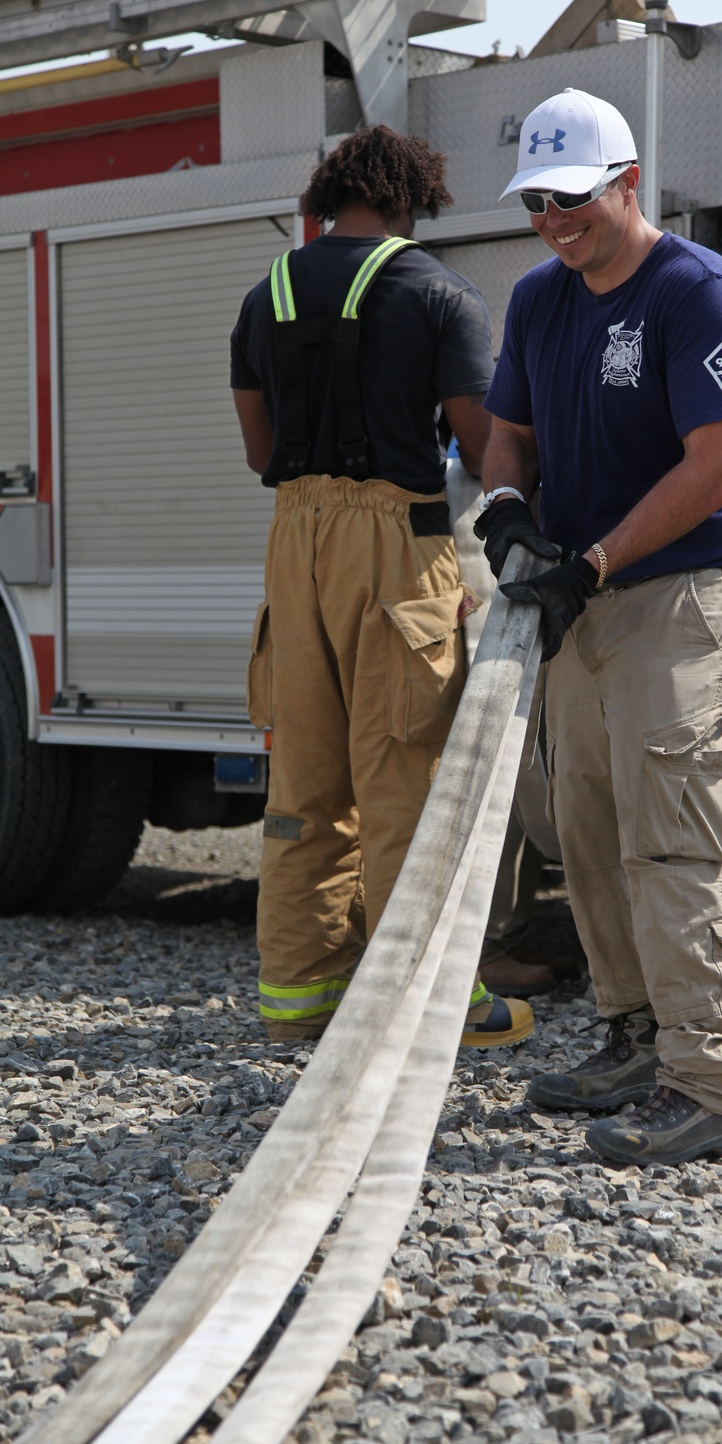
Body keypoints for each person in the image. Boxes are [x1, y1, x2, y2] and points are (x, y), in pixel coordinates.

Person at [474, 87, 722, 1166]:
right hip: (582, 603)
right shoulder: (540, 300)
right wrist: (508, 513)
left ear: (627, 182)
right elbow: (507, 434)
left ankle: (712, 1084)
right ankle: (634, 1038)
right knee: (588, 834)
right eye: (537, 201)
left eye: (573, 198)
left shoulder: (700, 293)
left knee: (671, 839)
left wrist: (590, 559)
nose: (554, 218)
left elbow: (717, 466)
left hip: (679, 600)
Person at [230, 124, 533, 1048]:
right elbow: (487, 453)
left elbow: (257, 453)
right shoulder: (438, 294)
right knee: (408, 780)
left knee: (305, 782)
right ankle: (429, 1003)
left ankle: (299, 998)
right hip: (395, 542)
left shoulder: (263, 295)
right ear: (410, 201)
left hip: (293, 543)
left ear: (331, 197)